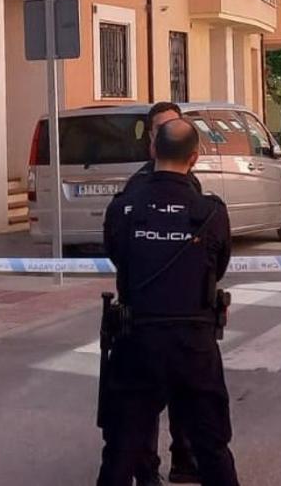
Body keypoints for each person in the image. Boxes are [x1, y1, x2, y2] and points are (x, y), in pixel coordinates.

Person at [98, 118, 240, 486]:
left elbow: (118, 258)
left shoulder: (123, 209)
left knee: (121, 449)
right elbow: (218, 268)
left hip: (138, 340)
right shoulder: (211, 213)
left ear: (151, 150)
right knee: (211, 447)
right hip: (194, 343)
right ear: (194, 158)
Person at [118, 101, 201, 486]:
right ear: (151, 140)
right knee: (143, 404)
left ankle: (184, 458)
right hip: (147, 316)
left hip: (190, 315)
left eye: (175, 127)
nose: (169, 136)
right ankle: (145, 470)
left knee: (188, 399)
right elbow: (120, 251)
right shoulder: (135, 190)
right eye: (161, 130)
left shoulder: (194, 185)